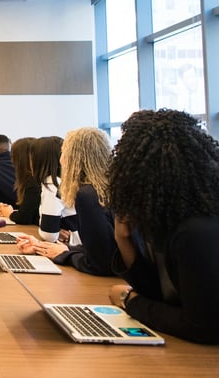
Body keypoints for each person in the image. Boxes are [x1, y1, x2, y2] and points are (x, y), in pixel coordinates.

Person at [106, 109, 219, 344]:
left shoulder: (197, 229)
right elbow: (161, 295)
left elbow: (203, 327)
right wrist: (123, 239)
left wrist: (130, 301)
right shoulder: (165, 218)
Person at [16, 128, 115, 276]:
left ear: (74, 158)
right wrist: (47, 247)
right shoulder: (107, 188)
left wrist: (65, 255)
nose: (61, 159)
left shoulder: (87, 195)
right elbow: (106, 251)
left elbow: (100, 264)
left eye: (64, 153)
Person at [32, 136, 79, 244]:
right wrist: (55, 230)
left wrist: (53, 232)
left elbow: (49, 235)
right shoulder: (66, 181)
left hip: (70, 244)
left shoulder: (52, 185)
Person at [0, 137, 39, 225]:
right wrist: (11, 210)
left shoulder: (34, 183)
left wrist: (9, 213)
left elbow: (24, 218)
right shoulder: (33, 179)